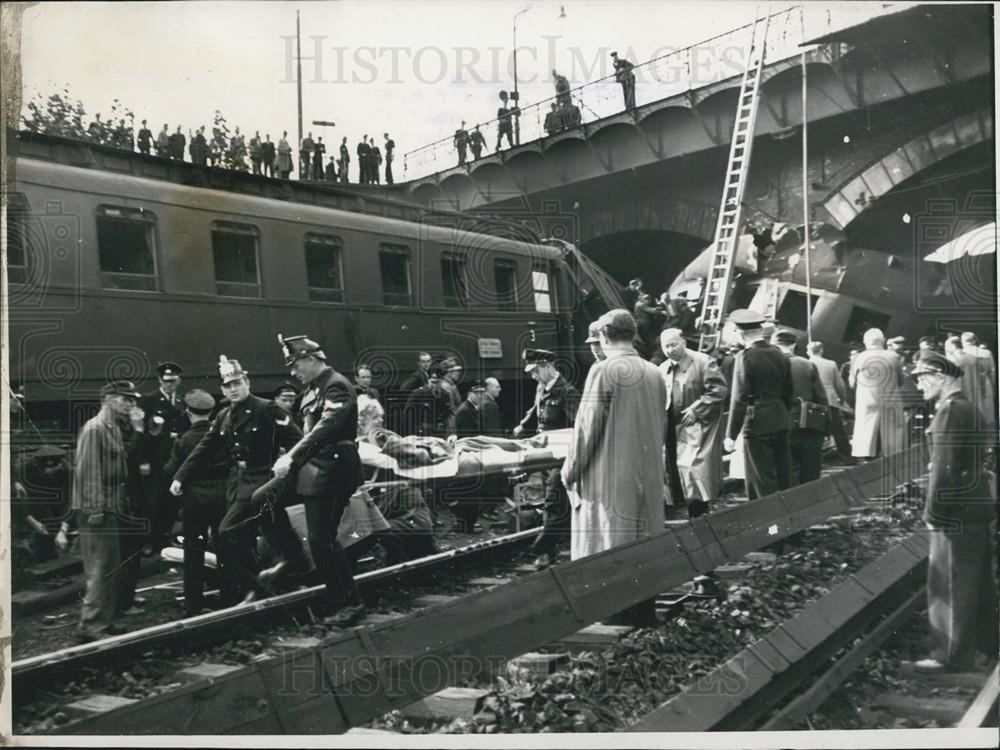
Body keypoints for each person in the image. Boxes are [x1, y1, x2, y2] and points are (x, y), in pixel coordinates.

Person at [170, 356, 302, 605]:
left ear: (247, 383)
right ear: (222, 390)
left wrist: (288, 464)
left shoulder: (266, 409)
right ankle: (261, 583)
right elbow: (204, 449)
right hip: (243, 484)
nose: (233, 389)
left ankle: (280, 573)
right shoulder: (224, 416)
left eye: (237, 383)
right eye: (228, 385)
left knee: (235, 531)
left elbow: (298, 440)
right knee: (238, 533)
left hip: (266, 480)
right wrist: (180, 478)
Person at [256, 334, 368, 627]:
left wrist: (291, 457)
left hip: (333, 469)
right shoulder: (312, 389)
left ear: (311, 358)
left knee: (321, 539)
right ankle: (293, 559)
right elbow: (307, 431)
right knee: (262, 500)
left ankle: (349, 601)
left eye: (296, 365)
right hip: (312, 468)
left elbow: (326, 427)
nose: (294, 372)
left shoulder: (336, 386)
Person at [562, 310, 665, 627]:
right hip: (646, 477)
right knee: (642, 546)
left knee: (607, 546)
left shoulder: (603, 370)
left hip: (607, 478)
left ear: (604, 335)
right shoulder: (654, 372)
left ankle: (613, 619)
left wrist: (570, 471)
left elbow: (587, 430)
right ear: (632, 335)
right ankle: (642, 617)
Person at [910, 350, 997, 673]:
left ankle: (949, 656)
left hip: (954, 511)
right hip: (975, 505)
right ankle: (985, 647)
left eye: (922, 378)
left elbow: (944, 471)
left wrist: (933, 513)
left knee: (949, 583)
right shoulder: (969, 408)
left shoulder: (948, 412)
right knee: (977, 582)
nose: (919, 385)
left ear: (940, 376)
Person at [70, 380, 144, 642]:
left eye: (132, 400)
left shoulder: (112, 428)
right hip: (98, 509)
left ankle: (105, 619)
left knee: (111, 565)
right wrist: (95, 508)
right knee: (100, 566)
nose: (131, 404)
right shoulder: (95, 429)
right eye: (126, 399)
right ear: (110, 399)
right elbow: (88, 471)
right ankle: (90, 624)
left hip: (111, 505)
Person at [163, 390, 228, 616]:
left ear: (188, 412)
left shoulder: (183, 440)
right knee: (225, 549)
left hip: (194, 502)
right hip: (222, 499)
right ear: (211, 412)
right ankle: (230, 597)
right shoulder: (222, 435)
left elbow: (170, 471)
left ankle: (193, 605)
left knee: (193, 553)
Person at [514, 348, 580, 569]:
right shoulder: (542, 388)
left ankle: (543, 551)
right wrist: (522, 427)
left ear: (547, 366)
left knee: (553, 502)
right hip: (546, 456)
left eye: (535, 371)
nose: (533, 376)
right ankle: (556, 547)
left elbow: (577, 426)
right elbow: (536, 411)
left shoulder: (567, 392)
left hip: (561, 457)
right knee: (554, 503)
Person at [724, 309, 795, 500]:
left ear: (740, 334)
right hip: (780, 419)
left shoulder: (745, 357)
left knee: (760, 479)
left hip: (756, 424)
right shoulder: (779, 354)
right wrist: (782, 413)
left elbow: (739, 398)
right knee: (783, 475)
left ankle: (766, 518)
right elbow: (789, 392)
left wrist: (731, 435)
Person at [658, 328, 728, 518]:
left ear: (684, 343)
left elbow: (718, 390)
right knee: (674, 471)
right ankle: (687, 512)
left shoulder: (703, 362)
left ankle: (699, 514)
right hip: (670, 429)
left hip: (697, 428)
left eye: (674, 345)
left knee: (694, 471)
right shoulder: (662, 368)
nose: (670, 350)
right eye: (666, 346)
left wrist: (697, 409)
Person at [137, 361, 189, 554]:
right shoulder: (148, 401)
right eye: (166, 381)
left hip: (175, 460)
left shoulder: (181, 402)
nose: (169, 384)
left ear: (178, 381)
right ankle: (148, 541)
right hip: (156, 459)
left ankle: (164, 537)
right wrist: (143, 460)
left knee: (171, 500)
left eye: (172, 381)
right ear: (159, 380)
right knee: (153, 501)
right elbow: (141, 432)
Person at [772, 330, 828, 484]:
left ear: (774, 346)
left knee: (785, 469)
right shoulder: (807, 364)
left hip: (779, 423)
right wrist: (825, 427)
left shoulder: (770, 365)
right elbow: (821, 398)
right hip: (806, 422)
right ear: (793, 345)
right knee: (809, 468)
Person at [849, 328, 905, 460]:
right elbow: (900, 381)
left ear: (865, 342)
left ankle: (868, 458)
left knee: (867, 433)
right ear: (883, 341)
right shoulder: (894, 357)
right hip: (890, 400)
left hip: (867, 401)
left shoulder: (858, 358)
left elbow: (852, 383)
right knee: (892, 433)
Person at [807, 340, 853, 462]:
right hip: (830, 400)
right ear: (821, 350)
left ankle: (818, 459)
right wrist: (842, 399)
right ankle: (847, 457)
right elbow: (840, 385)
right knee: (838, 430)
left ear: (808, 352)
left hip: (814, 401)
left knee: (816, 431)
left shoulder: (806, 363)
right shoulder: (831, 364)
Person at [403, 363, 455, 438]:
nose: (435, 386)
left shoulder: (445, 394)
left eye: (438, 383)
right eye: (433, 382)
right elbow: (408, 416)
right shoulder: (418, 394)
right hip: (422, 433)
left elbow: (448, 413)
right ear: (428, 381)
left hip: (439, 432)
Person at [961, 332, 997, 436]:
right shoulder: (987, 353)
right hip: (986, 382)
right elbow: (992, 371)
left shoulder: (962, 354)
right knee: (987, 410)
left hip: (968, 383)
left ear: (963, 341)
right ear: (974, 340)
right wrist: (993, 386)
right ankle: (988, 437)